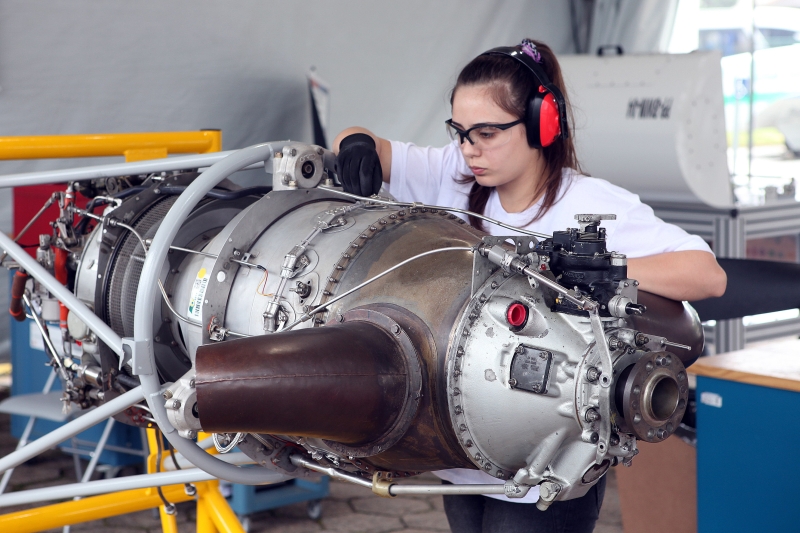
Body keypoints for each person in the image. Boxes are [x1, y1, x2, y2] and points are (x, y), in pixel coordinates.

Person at [333, 39, 727, 533]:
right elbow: (359, 136)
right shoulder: (452, 177)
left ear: (544, 123)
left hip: (548, 463)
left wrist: (593, 268)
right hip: (462, 454)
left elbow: (707, 275)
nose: (469, 149)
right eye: (459, 132)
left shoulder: (590, 205)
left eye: (487, 133)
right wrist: (355, 144)